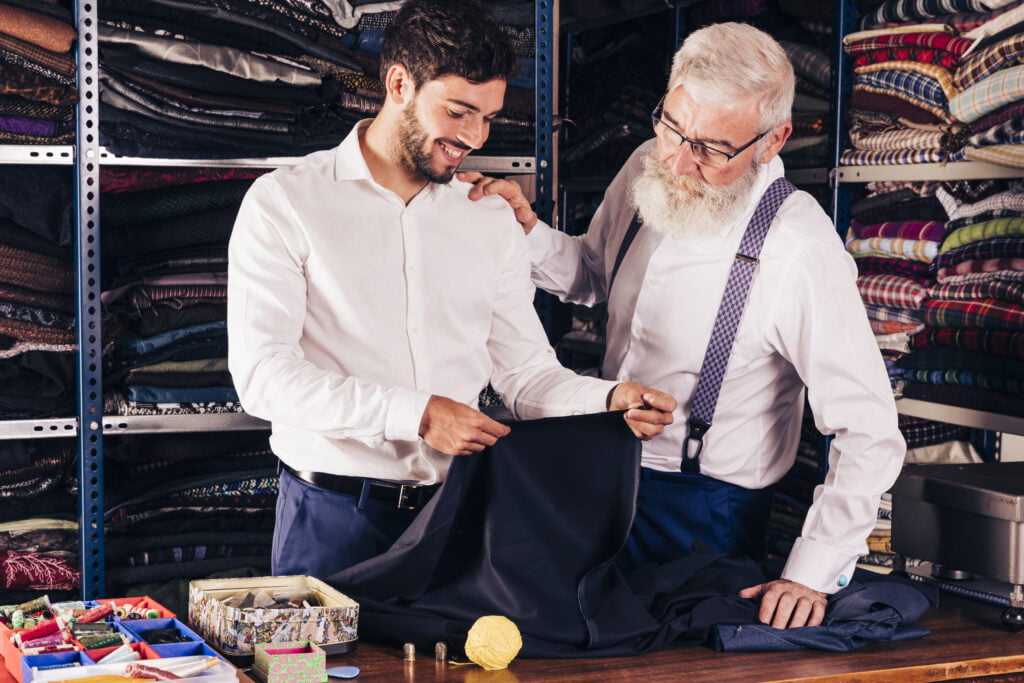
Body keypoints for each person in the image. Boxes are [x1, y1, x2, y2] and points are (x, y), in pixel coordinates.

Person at [461, 22, 906, 630]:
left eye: (713, 149)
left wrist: (812, 571)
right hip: (603, 479)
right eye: (673, 127)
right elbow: (594, 275)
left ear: (773, 140)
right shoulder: (651, 162)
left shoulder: (798, 251)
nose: (681, 162)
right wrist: (526, 229)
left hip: (705, 517)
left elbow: (870, 428)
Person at [227, 0, 676, 583]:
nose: (474, 136)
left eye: (487, 117)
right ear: (398, 84)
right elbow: (264, 378)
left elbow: (526, 376)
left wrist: (606, 402)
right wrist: (416, 414)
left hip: (455, 516)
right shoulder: (285, 203)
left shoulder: (487, 219)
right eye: (460, 111)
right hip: (331, 519)